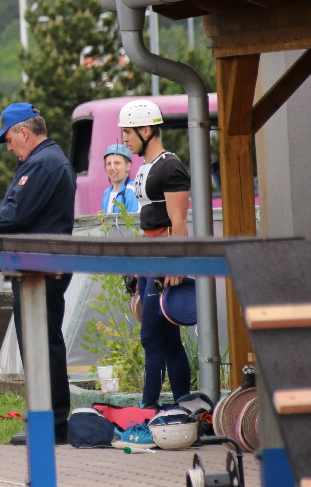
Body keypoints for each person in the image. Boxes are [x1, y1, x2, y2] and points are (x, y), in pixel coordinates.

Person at [0, 103, 75, 445]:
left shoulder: (41, 164)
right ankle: (49, 423)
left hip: (39, 268)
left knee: (40, 346)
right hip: (42, 266)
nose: (9, 148)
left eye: (9, 140)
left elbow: (14, 216)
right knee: (43, 344)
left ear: (24, 133)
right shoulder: (49, 159)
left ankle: (50, 425)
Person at [119, 99, 192, 409]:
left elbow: (178, 221)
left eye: (128, 132)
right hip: (150, 257)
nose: (124, 139)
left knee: (151, 337)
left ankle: (148, 409)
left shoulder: (169, 165)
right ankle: (184, 407)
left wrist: (175, 264)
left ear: (146, 129)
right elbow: (148, 224)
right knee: (168, 339)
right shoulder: (146, 167)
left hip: (164, 258)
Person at [100, 143, 139, 214]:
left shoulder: (132, 191)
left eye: (117, 163)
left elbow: (134, 223)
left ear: (128, 166)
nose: (112, 168)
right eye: (109, 164)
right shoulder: (106, 194)